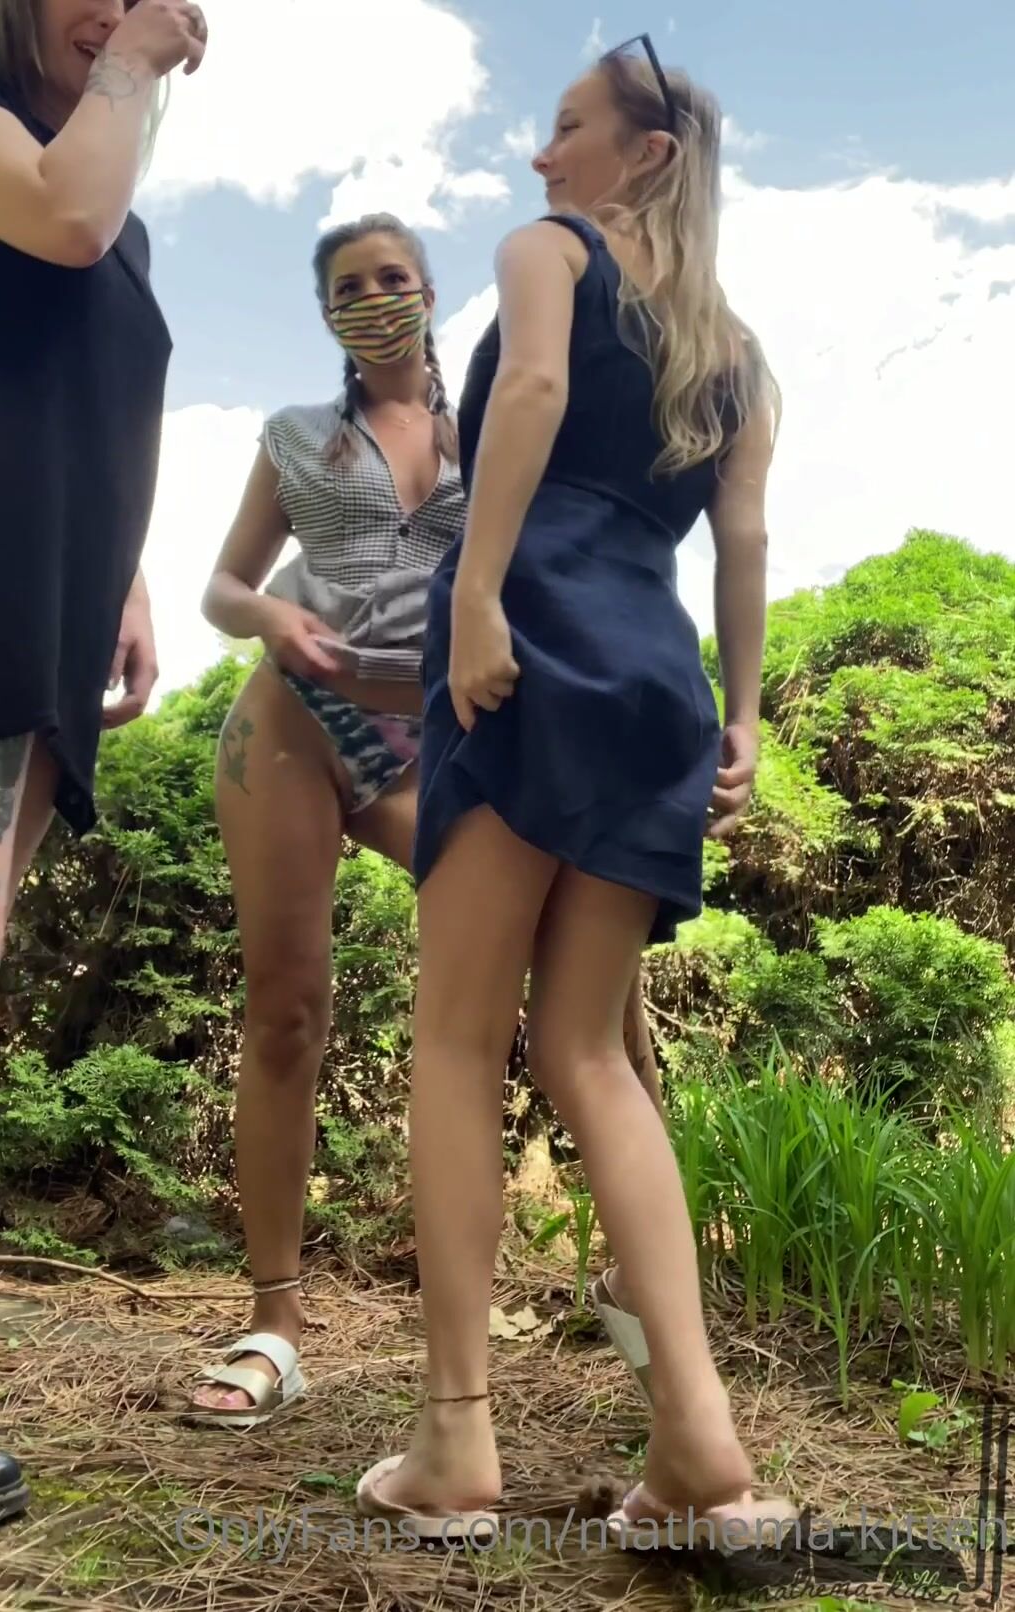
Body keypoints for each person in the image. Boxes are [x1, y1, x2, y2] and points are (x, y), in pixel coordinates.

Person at [354, 39, 800, 1553]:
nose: (543, 158)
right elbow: (744, 542)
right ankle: (700, 1443)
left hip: (529, 633)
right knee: (589, 1049)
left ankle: (454, 1441)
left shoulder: (547, 252)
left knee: (459, 1037)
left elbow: (532, 385)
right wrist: (744, 719)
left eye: (567, 129)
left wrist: (477, 594)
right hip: (656, 674)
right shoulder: (737, 354)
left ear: (645, 155)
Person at [189, 212, 670, 1428]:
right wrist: (271, 617)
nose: (375, 297)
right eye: (350, 285)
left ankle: (642, 1285)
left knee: (587, 976)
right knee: (287, 1007)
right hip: (297, 725)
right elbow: (224, 584)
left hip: (445, 732)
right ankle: (276, 1319)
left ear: (431, 291)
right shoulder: (296, 438)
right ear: (326, 311)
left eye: (394, 277)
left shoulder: (498, 422)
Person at [0, 0, 206, 1526]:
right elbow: (60, 218)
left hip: (38, 625)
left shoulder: (131, 225)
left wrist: (126, 576)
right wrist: (135, 64)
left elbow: (76, 407)